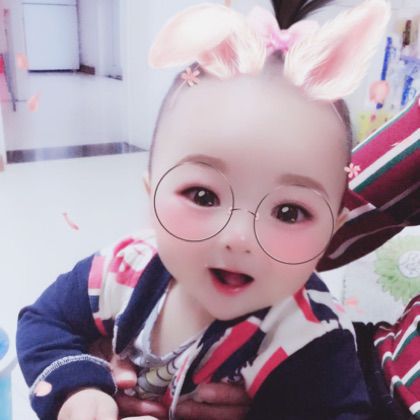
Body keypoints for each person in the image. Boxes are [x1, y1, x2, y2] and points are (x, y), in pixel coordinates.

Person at [16, 1, 406, 419]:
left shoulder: (309, 340)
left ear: (333, 230)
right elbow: (42, 323)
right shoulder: (124, 268)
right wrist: (78, 389)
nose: (239, 238)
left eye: (289, 212)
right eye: (203, 196)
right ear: (151, 195)